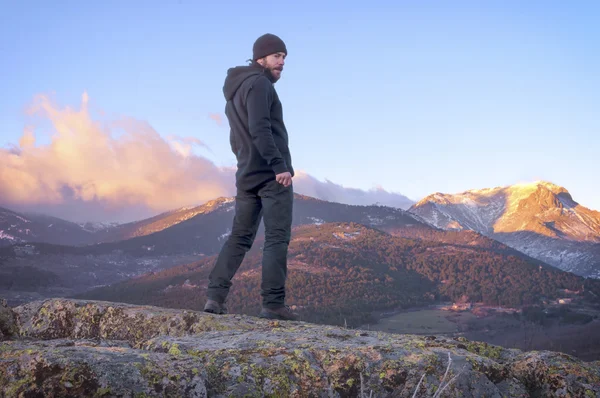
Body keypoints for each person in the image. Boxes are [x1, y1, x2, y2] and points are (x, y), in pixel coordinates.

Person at [204, 33, 298, 321]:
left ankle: (215, 298)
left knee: (239, 238)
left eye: (284, 57)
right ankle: (273, 305)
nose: (281, 62)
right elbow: (260, 128)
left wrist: (244, 163)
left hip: (247, 175)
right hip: (271, 176)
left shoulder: (236, 90)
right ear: (261, 58)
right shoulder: (259, 85)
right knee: (276, 238)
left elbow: (237, 137)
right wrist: (278, 165)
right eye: (276, 56)